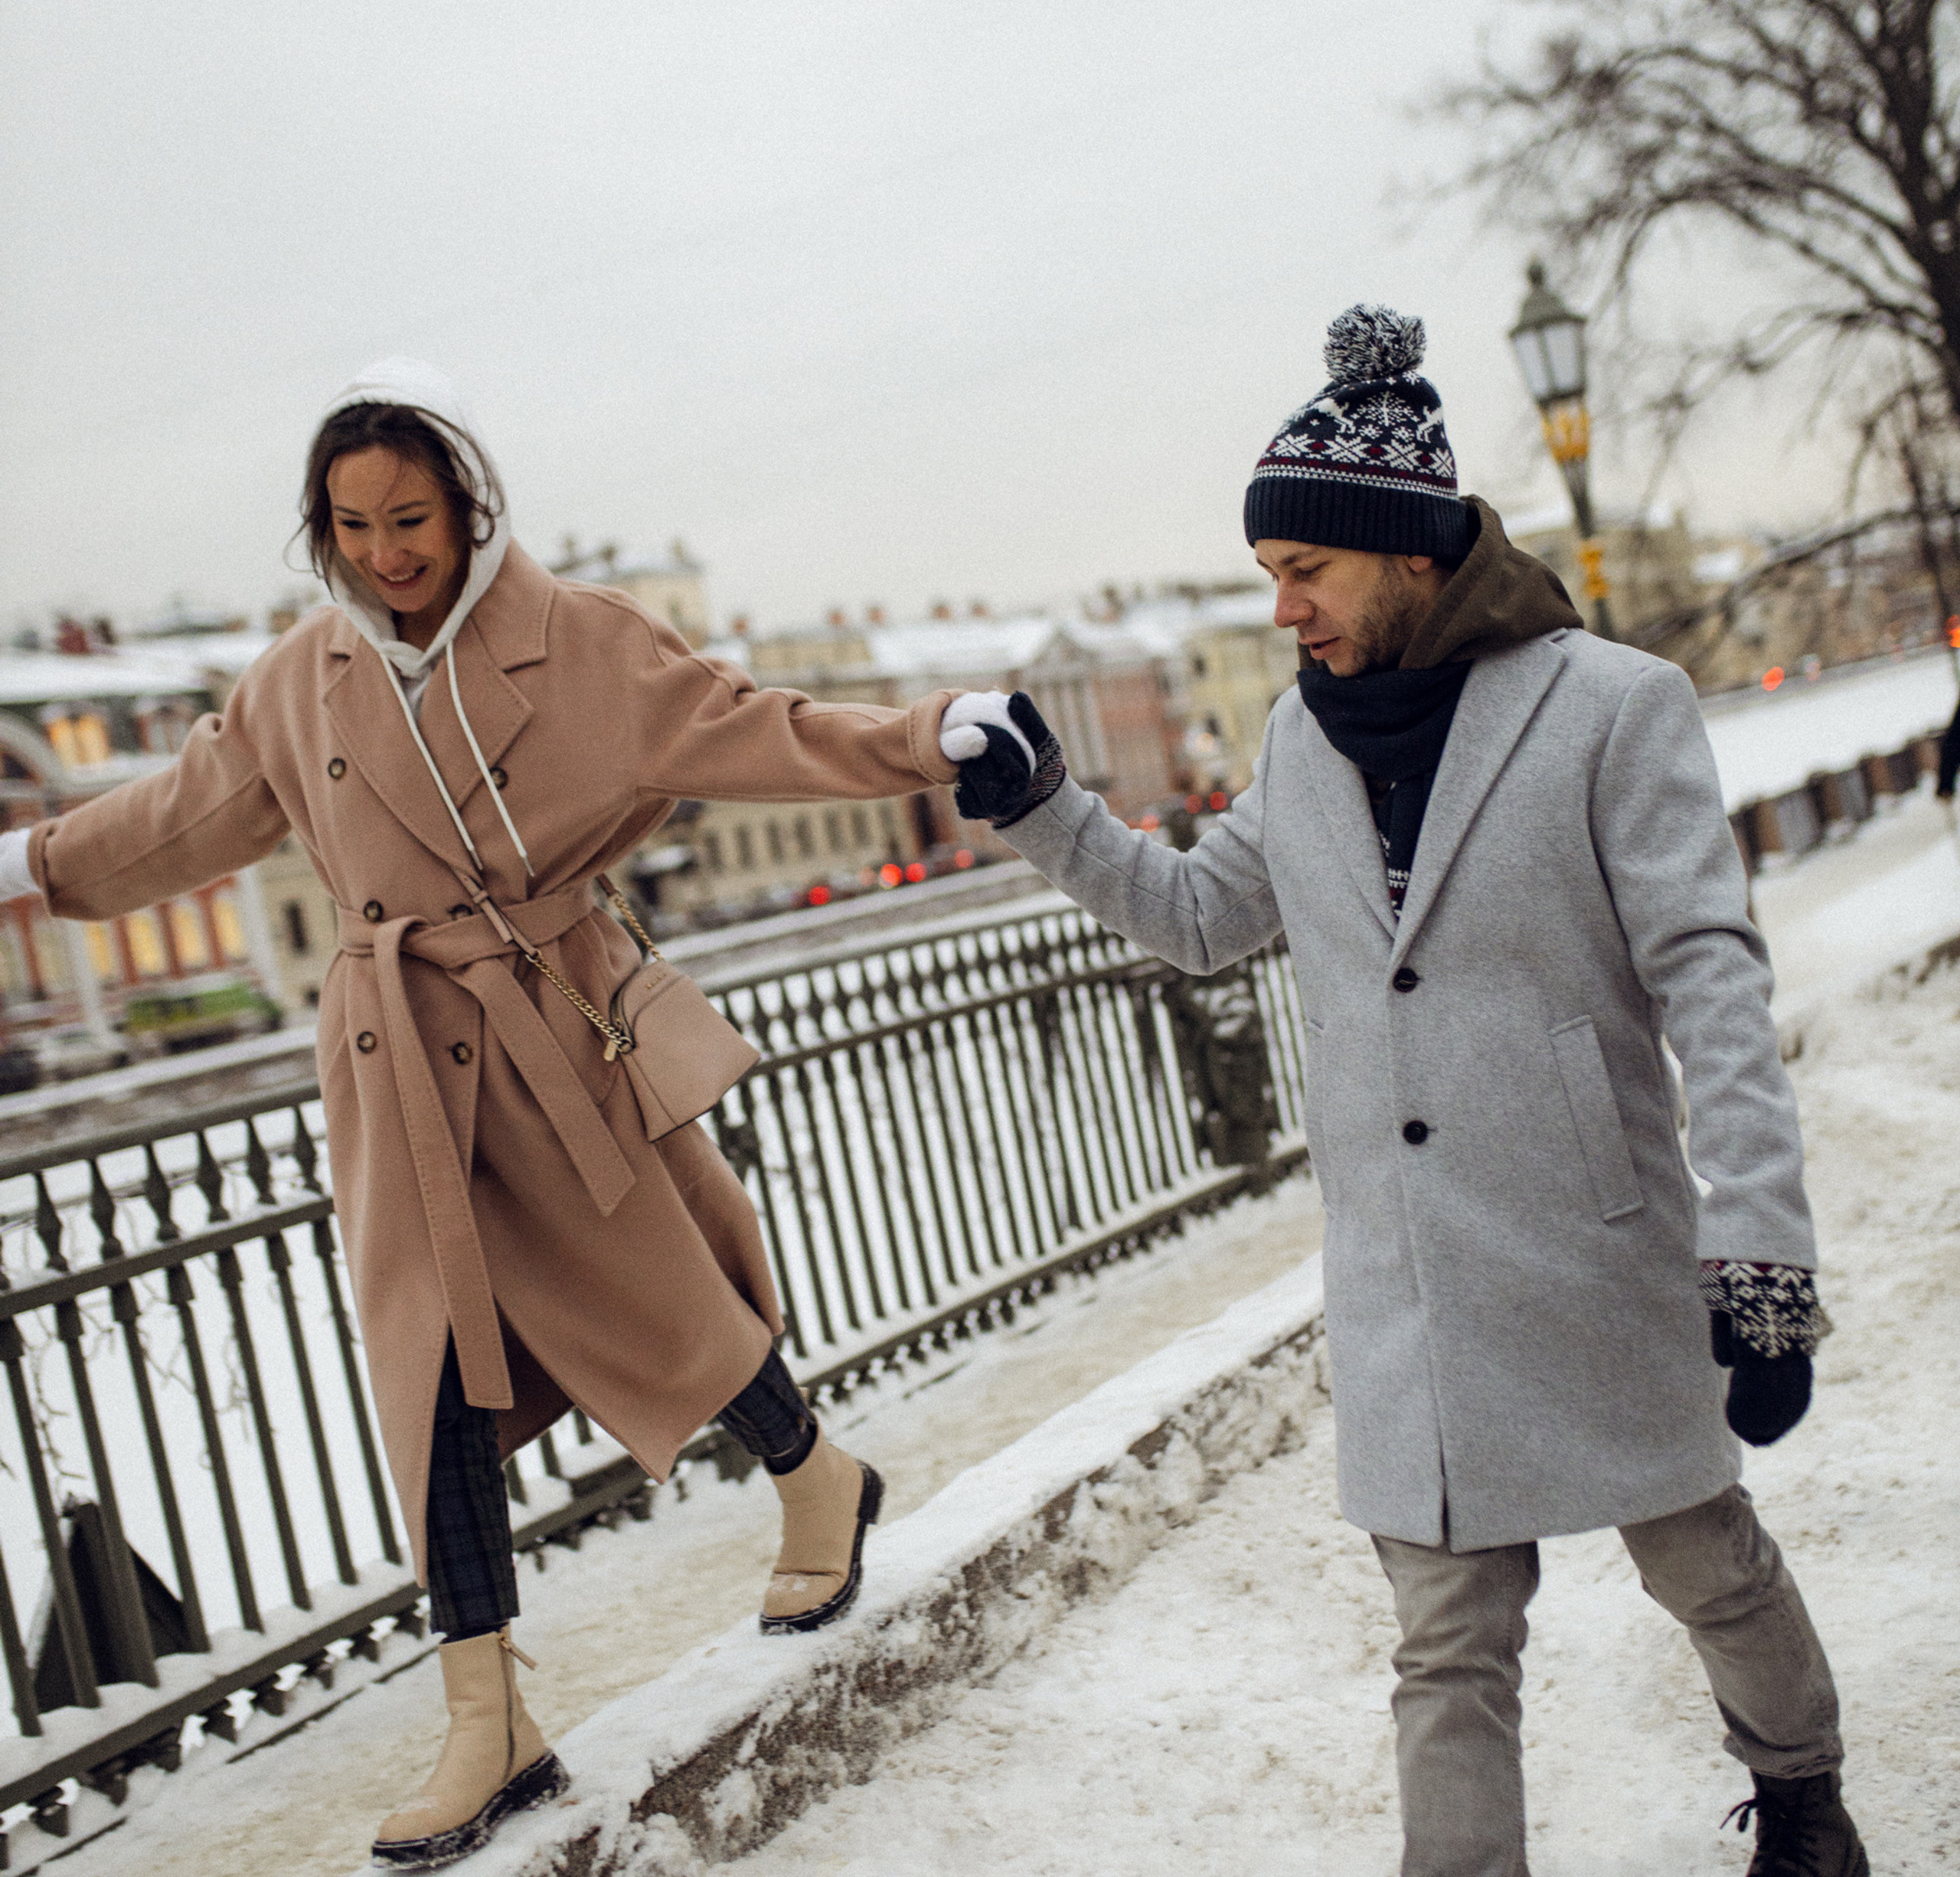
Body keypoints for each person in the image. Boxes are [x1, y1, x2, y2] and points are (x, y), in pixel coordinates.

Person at [0, 361, 965, 1872]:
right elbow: (179, 814)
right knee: (430, 1366)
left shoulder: (573, 642)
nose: (386, 551)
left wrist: (927, 740)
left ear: (468, 504)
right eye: (352, 524)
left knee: (660, 1300)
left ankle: (812, 1470)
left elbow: (745, 726)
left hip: (544, 1033)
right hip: (397, 1061)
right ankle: (486, 1708)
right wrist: (29, 864)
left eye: (411, 516)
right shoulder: (294, 680)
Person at [941, 307, 1867, 1877]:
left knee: (1705, 1561)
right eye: (1269, 576)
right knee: (1446, 1647)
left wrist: (1759, 1251)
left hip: (1592, 1248)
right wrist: (1044, 809)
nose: (1282, 605)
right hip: (1413, 1289)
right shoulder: (1304, 743)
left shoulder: (1607, 706)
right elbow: (1195, 913)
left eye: (1303, 569)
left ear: (1407, 553)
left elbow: (1711, 976)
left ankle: (1800, 1793)